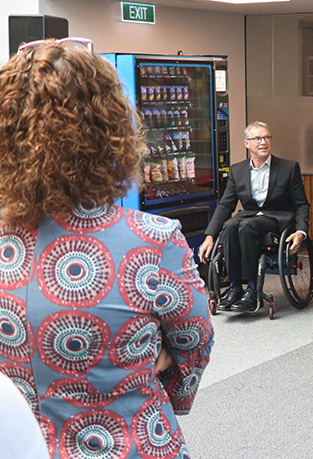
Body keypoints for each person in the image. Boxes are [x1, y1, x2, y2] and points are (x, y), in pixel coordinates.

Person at [0, 38, 213, 458]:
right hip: (131, 443)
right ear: (112, 130)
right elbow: (194, 342)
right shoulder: (153, 240)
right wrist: (154, 363)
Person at [198, 121, 310, 312]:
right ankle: (234, 288)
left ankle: (251, 289)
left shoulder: (288, 168)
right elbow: (226, 205)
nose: (263, 142)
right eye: (257, 138)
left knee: (246, 226)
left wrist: (301, 232)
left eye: (267, 137)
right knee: (231, 226)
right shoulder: (237, 170)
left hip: (276, 220)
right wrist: (209, 236)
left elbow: (301, 204)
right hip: (249, 217)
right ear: (247, 143)